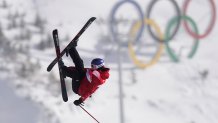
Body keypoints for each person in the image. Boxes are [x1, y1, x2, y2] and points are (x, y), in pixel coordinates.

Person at [60, 40, 110, 106]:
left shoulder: (99, 79)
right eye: (91, 65)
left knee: (79, 69)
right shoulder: (96, 71)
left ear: (99, 66)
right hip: (81, 81)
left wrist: (81, 100)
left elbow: (91, 91)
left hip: (78, 88)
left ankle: (64, 69)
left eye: (93, 66)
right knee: (80, 65)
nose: (91, 67)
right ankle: (71, 49)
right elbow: (80, 70)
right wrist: (68, 69)